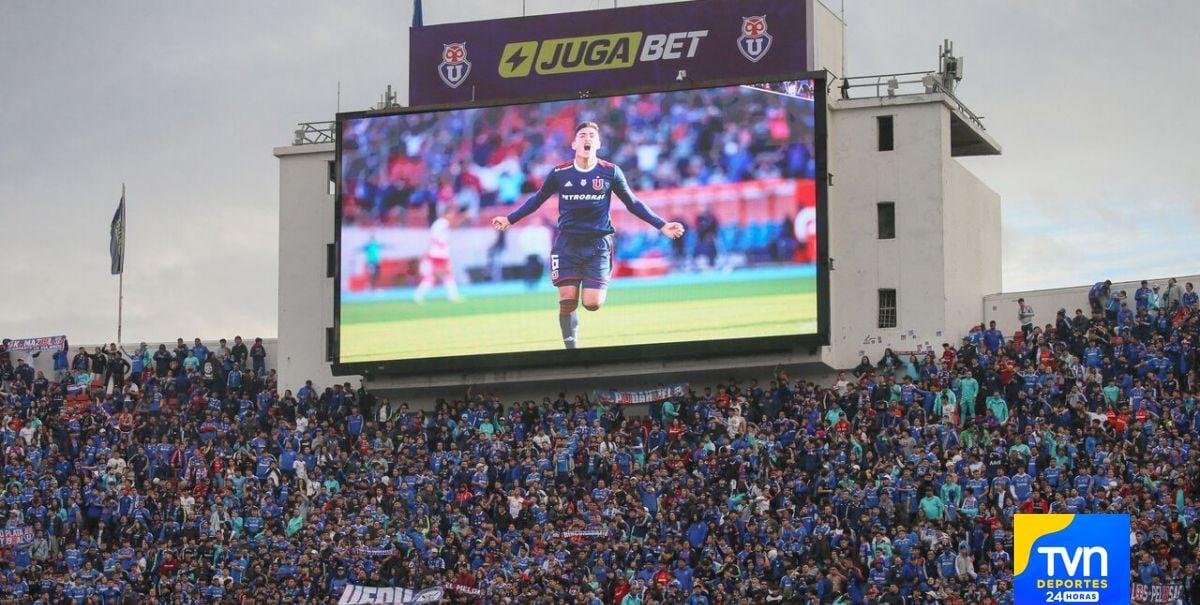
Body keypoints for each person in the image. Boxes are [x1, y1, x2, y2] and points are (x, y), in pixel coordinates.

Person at [492, 121, 685, 348]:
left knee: (592, 304)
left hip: (598, 244)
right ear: (574, 143)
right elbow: (536, 200)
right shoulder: (560, 173)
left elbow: (632, 203)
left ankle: (591, 285)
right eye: (582, 135)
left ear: (598, 143)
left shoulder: (610, 172)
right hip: (567, 244)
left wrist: (661, 225)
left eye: (592, 135)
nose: (587, 138)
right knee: (567, 300)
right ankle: (571, 347)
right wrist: (509, 219)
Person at [414, 205, 464, 304]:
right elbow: (453, 225)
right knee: (444, 275)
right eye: (452, 214)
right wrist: (463, 217)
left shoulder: (438, 224)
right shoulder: (442, 222)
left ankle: (419, 295)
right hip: (439, 254)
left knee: (441, 276)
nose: (453, 216)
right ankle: (453, 296)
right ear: (447, 214)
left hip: (438, 253)